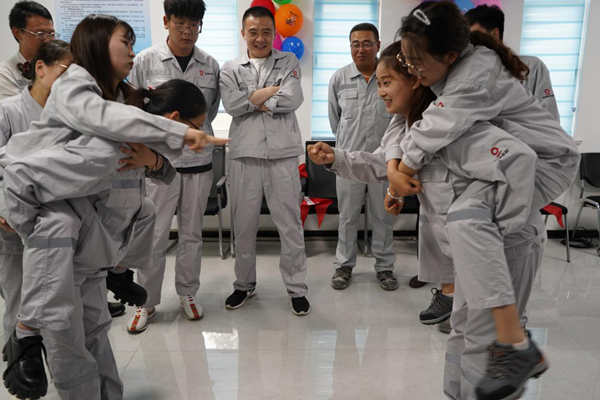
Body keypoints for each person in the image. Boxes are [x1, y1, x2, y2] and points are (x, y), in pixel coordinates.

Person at [0, 14, 226, 399]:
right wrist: (178, 133)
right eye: (126, 42)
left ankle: (116, 280)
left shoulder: (123, 98)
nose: (134, 53)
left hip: (94, 255)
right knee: (70, 348)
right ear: (98, 44)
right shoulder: (80, 92)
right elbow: (105, 122)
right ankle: (26, 335)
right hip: (59, 246)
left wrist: (152, 159)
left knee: (98, 335)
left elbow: (157, 165)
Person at [308, 40, 547, 400]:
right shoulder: (409, 130)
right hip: (470, 259)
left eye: (387, 82)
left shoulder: (456, 129)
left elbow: (520, 162)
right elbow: (381, 164)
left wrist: (505, 231)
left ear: (416, 80)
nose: (380, 91)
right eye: (379, 83)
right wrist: (335, 158)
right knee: (463, 335)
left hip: (502, 252)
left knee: (485, 346)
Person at [391, 3, 579, 399]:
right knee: (463, 325)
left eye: (416, 62)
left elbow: (434, 128)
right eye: (405, 62)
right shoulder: (453, 81)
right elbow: (413, 135)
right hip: (510, 174)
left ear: (450, 55)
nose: (412, 71)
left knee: (467, 221)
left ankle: (514, 342)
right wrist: (394, 174)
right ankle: (501, 353)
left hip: (543, 164)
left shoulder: (471, 80)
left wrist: (401, 171)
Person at [127, 0, 220, 332]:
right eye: (181, 23)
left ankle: (188, 293)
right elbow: (135, 108)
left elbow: (208, 111)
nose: (187, 31)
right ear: (166, 21)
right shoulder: (145, 61)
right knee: (153, 237)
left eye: (194, 25)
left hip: (198, 163)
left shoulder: (210, 64)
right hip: (158, 165)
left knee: (192, 235)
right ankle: (146, 302)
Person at [220, 6, 310, 315]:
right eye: (253, 32)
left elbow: (292, 98)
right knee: (243, 227)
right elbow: (231, 105)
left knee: (291, 227)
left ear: (275, 34)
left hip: (282, 156)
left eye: (266, 32)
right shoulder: (230, 68)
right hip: (244, 156)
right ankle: (244, 284)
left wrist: (252, 99)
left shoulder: (289, 60)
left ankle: (297, 288)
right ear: (243, 34)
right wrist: (269, 93)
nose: (260, 38)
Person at [0, 40, 72, 346]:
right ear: (40, 68)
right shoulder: (8, 111)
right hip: (12, 221)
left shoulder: (70, 116)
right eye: (67, 71)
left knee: (56, 301)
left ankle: (49, 361)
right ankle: (19, 358)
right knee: (19, 299)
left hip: (57, 222)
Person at [327, 22, 397, 291]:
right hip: (349, 162)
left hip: (384, 163)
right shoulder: (339, 78)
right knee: (347, 217)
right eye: (355, 44)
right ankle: (344, 265)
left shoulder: (390, 76)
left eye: (367, 43)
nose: (361, 49)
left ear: (378, 45)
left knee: (383, 217)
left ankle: (385, 266)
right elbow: (336, 121)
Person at [465, 4, 560, 122]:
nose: (470, 44)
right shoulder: (467, 72)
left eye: (475, 37)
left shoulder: (531, 67)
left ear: (495, 34)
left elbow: (550, 119)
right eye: (466, 39)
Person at [0, 1, 58, 100]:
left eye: (51, 34)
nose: (48, 40)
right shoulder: (4, 73)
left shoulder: (58, 66)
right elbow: (17, 108)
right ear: (17, 33)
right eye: (40, 34)